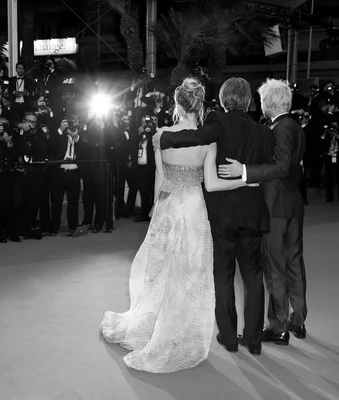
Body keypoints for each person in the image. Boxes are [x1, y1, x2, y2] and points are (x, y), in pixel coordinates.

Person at [99, 78, 253, 374]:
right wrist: (247, 179)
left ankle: (154, 328)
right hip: (194, 209)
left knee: (159, 272)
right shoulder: (208, 140)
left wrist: (157, 209)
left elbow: (159, 177)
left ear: (177, 105)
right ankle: (179, 335)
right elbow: (212, 183)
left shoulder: (161, 135)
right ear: (200, 104)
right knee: (191, 273)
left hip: (168, 206)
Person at [160, 77, 274, 356]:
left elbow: (197, 137)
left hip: (221, 214)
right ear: (249, 101)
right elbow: (269, 166)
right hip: (253, 213)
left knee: (223, 276)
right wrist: (248, 172)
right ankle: (254, 340)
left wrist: (166, 138)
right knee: (253, 277)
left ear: (223, 100)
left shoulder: (218, 122)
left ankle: (229, 337)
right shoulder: (264, 131)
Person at [219, 78, 307, 345]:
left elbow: (280, 167)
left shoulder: (280, 128)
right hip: (293, 204)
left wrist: (245, 171)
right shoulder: (296, 126)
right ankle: (298, 320)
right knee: (295, 263)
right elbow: (295, 167)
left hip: (276, 207)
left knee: (275, 267)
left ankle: (279, 326)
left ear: (268, 102)